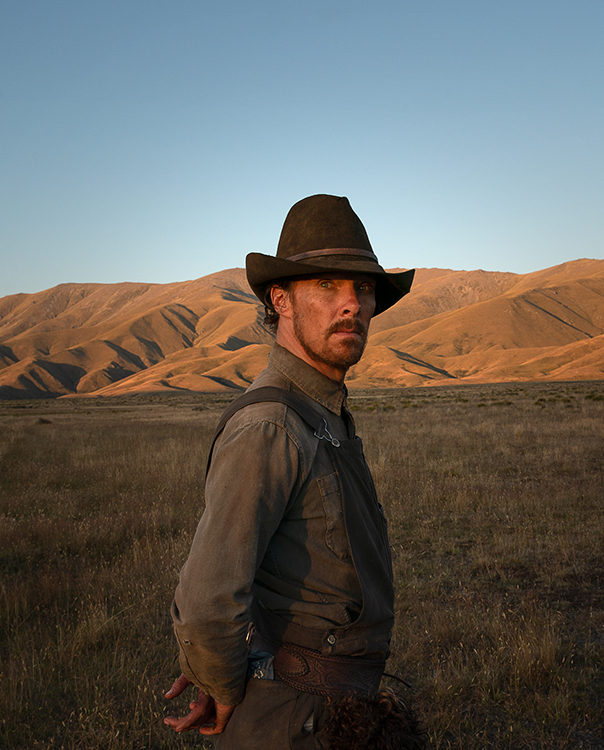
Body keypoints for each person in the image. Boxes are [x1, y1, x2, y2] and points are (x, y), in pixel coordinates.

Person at [164, 194, 421, 748]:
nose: (351, 304)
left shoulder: (322, 411)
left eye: (364, 288)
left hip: (331, 712)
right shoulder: (271, 426)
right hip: (294, 724)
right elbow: (208, 600)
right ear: (280, 299)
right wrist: (225, 682)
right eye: (327, 286)